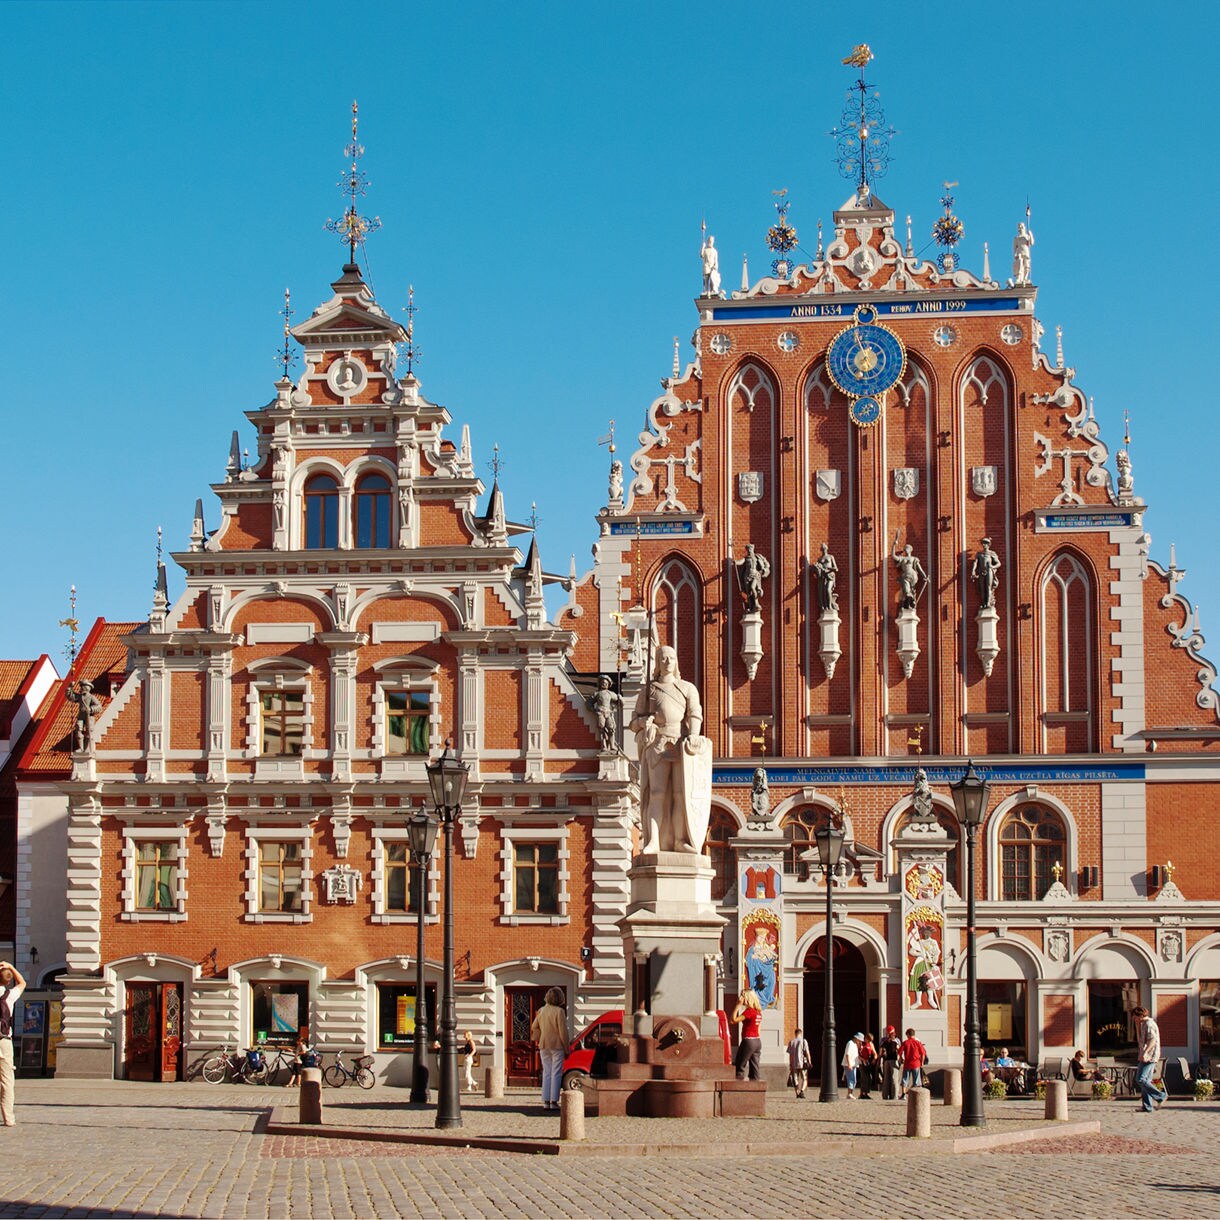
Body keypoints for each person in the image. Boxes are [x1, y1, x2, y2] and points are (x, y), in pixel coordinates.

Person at [630, 644, 712, 854]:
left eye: (671, 658)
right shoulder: (648, 690)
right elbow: (633, 722)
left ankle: (679, 840)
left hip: (680, 745)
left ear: (676, 662)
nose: (668, 662)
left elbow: (695, 714)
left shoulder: (687, 688)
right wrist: (644, 722)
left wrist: (693, 734)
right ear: (657, 662)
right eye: (663, 658)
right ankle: (654, 841)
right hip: (657, 744)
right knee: (657, 794)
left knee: (680, 795)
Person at [530, 987, 568, 1111]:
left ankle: (546, 1101)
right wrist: (566, 1048)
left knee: (546, 1072)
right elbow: (563, 1032)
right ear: (560, 998)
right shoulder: (559, 1011)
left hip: (544, 1045)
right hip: (557, 1045)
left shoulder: (541, 1010)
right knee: (556, 1073)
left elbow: (534, 1026)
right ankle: (554, 1101)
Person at [0, 961, 26, 1125]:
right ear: (8, 981)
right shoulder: (10, 995)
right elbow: (23, 982)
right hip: (4, 1040)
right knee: (7, 1081)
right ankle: (8, 1118)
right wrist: (11, 967)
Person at [1132, 1005, 1167, 1112]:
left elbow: (1152, 1040)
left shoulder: (1149, 1024)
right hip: (1146, 1054)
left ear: (1140, 1015)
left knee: (1140, 1079)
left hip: (1149, 1056)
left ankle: (1160, 1096)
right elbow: (1140, 1041)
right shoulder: (1143, 1024)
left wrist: (1146, 1052)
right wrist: (1137, 1026)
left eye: (1135, 1016)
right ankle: (1147, 1107)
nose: (1133, 1018)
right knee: (1146, 1081)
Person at [731, 989, 763, 1081]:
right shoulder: (758, 1013)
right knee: (755, 1068)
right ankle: (756, 1088)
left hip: (748, 1040)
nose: (740, 998)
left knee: (740, 1065)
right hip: (757, 1041)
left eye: (742, 996)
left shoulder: (749, 1012)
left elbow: (733, 1020)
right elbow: (758, 1030)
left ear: (747, 998)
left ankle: (739, 1087)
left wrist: (737, 1005)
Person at [898, 1027, 928, 1099]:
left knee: (905, 1079)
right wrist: (922, 1062)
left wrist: (901, 1059)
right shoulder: (918, 1043)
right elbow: (923, 1053)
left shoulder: (905, 1042)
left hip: (907, 1064)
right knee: (916, 1080)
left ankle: (903, 1094)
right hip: (916, 1063)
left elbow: (899, 1053)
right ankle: (916, 1096)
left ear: (908, 1035)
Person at [785, 1027, 811, 1098]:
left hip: (794, 1063)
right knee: (804, 1078)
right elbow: (807, 1052)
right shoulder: (803, 1041)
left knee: (795, 1079)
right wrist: (809, 1061)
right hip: (802, 1063)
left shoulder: (791, 1042)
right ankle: (802, 1091)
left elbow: (790, 1055)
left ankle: (797, 1093)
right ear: (801, 1033)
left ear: (795, 1034)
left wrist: (790, 1064)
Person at [879, 1026, 901, 1100]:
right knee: (894, 1079)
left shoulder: (884, 1041)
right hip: (893, 1061)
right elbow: (899, 1051)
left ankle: (885, 1095)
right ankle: (894, 1096)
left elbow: (881, 1051)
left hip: (886, 1061)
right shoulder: (896, 1041)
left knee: (886, 1079)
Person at [841, 1032, 861, 1100]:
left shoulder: (855, 1045)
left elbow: (856, 1055)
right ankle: (849, 1093)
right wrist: (849, 1064)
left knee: (854, 1079)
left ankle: (850, 1093)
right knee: (851, 1079)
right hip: (849, 1064)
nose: (860, 1042)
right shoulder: (850, 1043)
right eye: (859, 1040)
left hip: (853, 1064)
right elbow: (847, 1054)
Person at [858, 1032, 877, 1099]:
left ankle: (866, 1092)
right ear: (865, 1038)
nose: (869, 1042)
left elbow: (875, 1053)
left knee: (869, 1078)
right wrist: (863, 1060)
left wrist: (874, 1058)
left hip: (868, 1063)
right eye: (868, 1040)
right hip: (861, 1063)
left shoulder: (871, 1044)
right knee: (864, 1078)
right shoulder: (861, 1044)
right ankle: (862, 1093)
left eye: (870, 1041)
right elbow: (857, 1054)